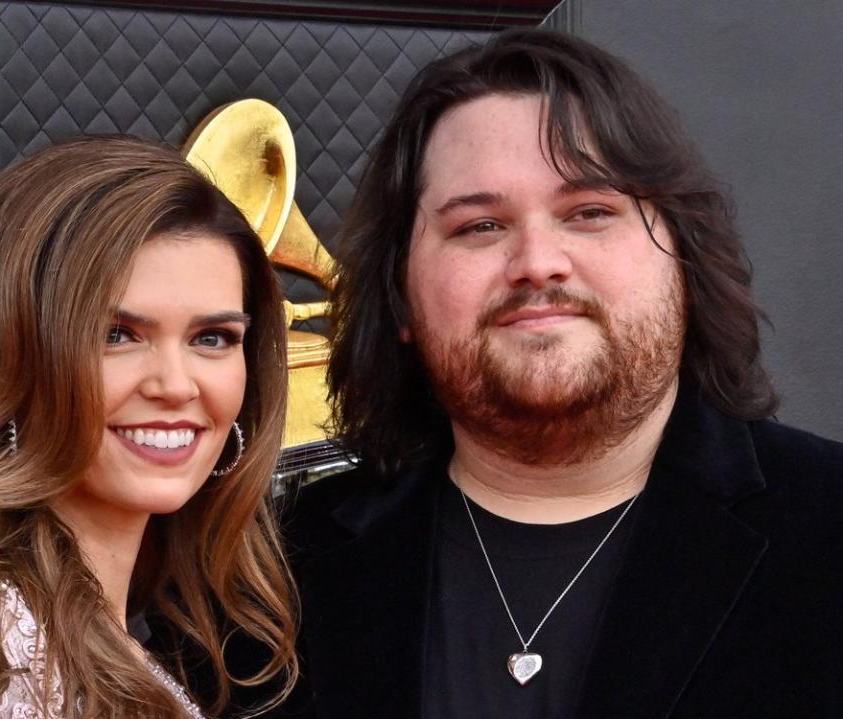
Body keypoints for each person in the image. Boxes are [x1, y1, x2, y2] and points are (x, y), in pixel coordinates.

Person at [272, 28, 843, 718]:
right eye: (480, 226)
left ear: (684, 264)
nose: (538, 260)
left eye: (590, 212)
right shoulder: (282, 575)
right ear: (402, 298)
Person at [0, 136, 297, 718]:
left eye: (212, 338)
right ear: (10, 360)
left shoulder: (46, 626)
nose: (176, 385)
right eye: (117, 335)